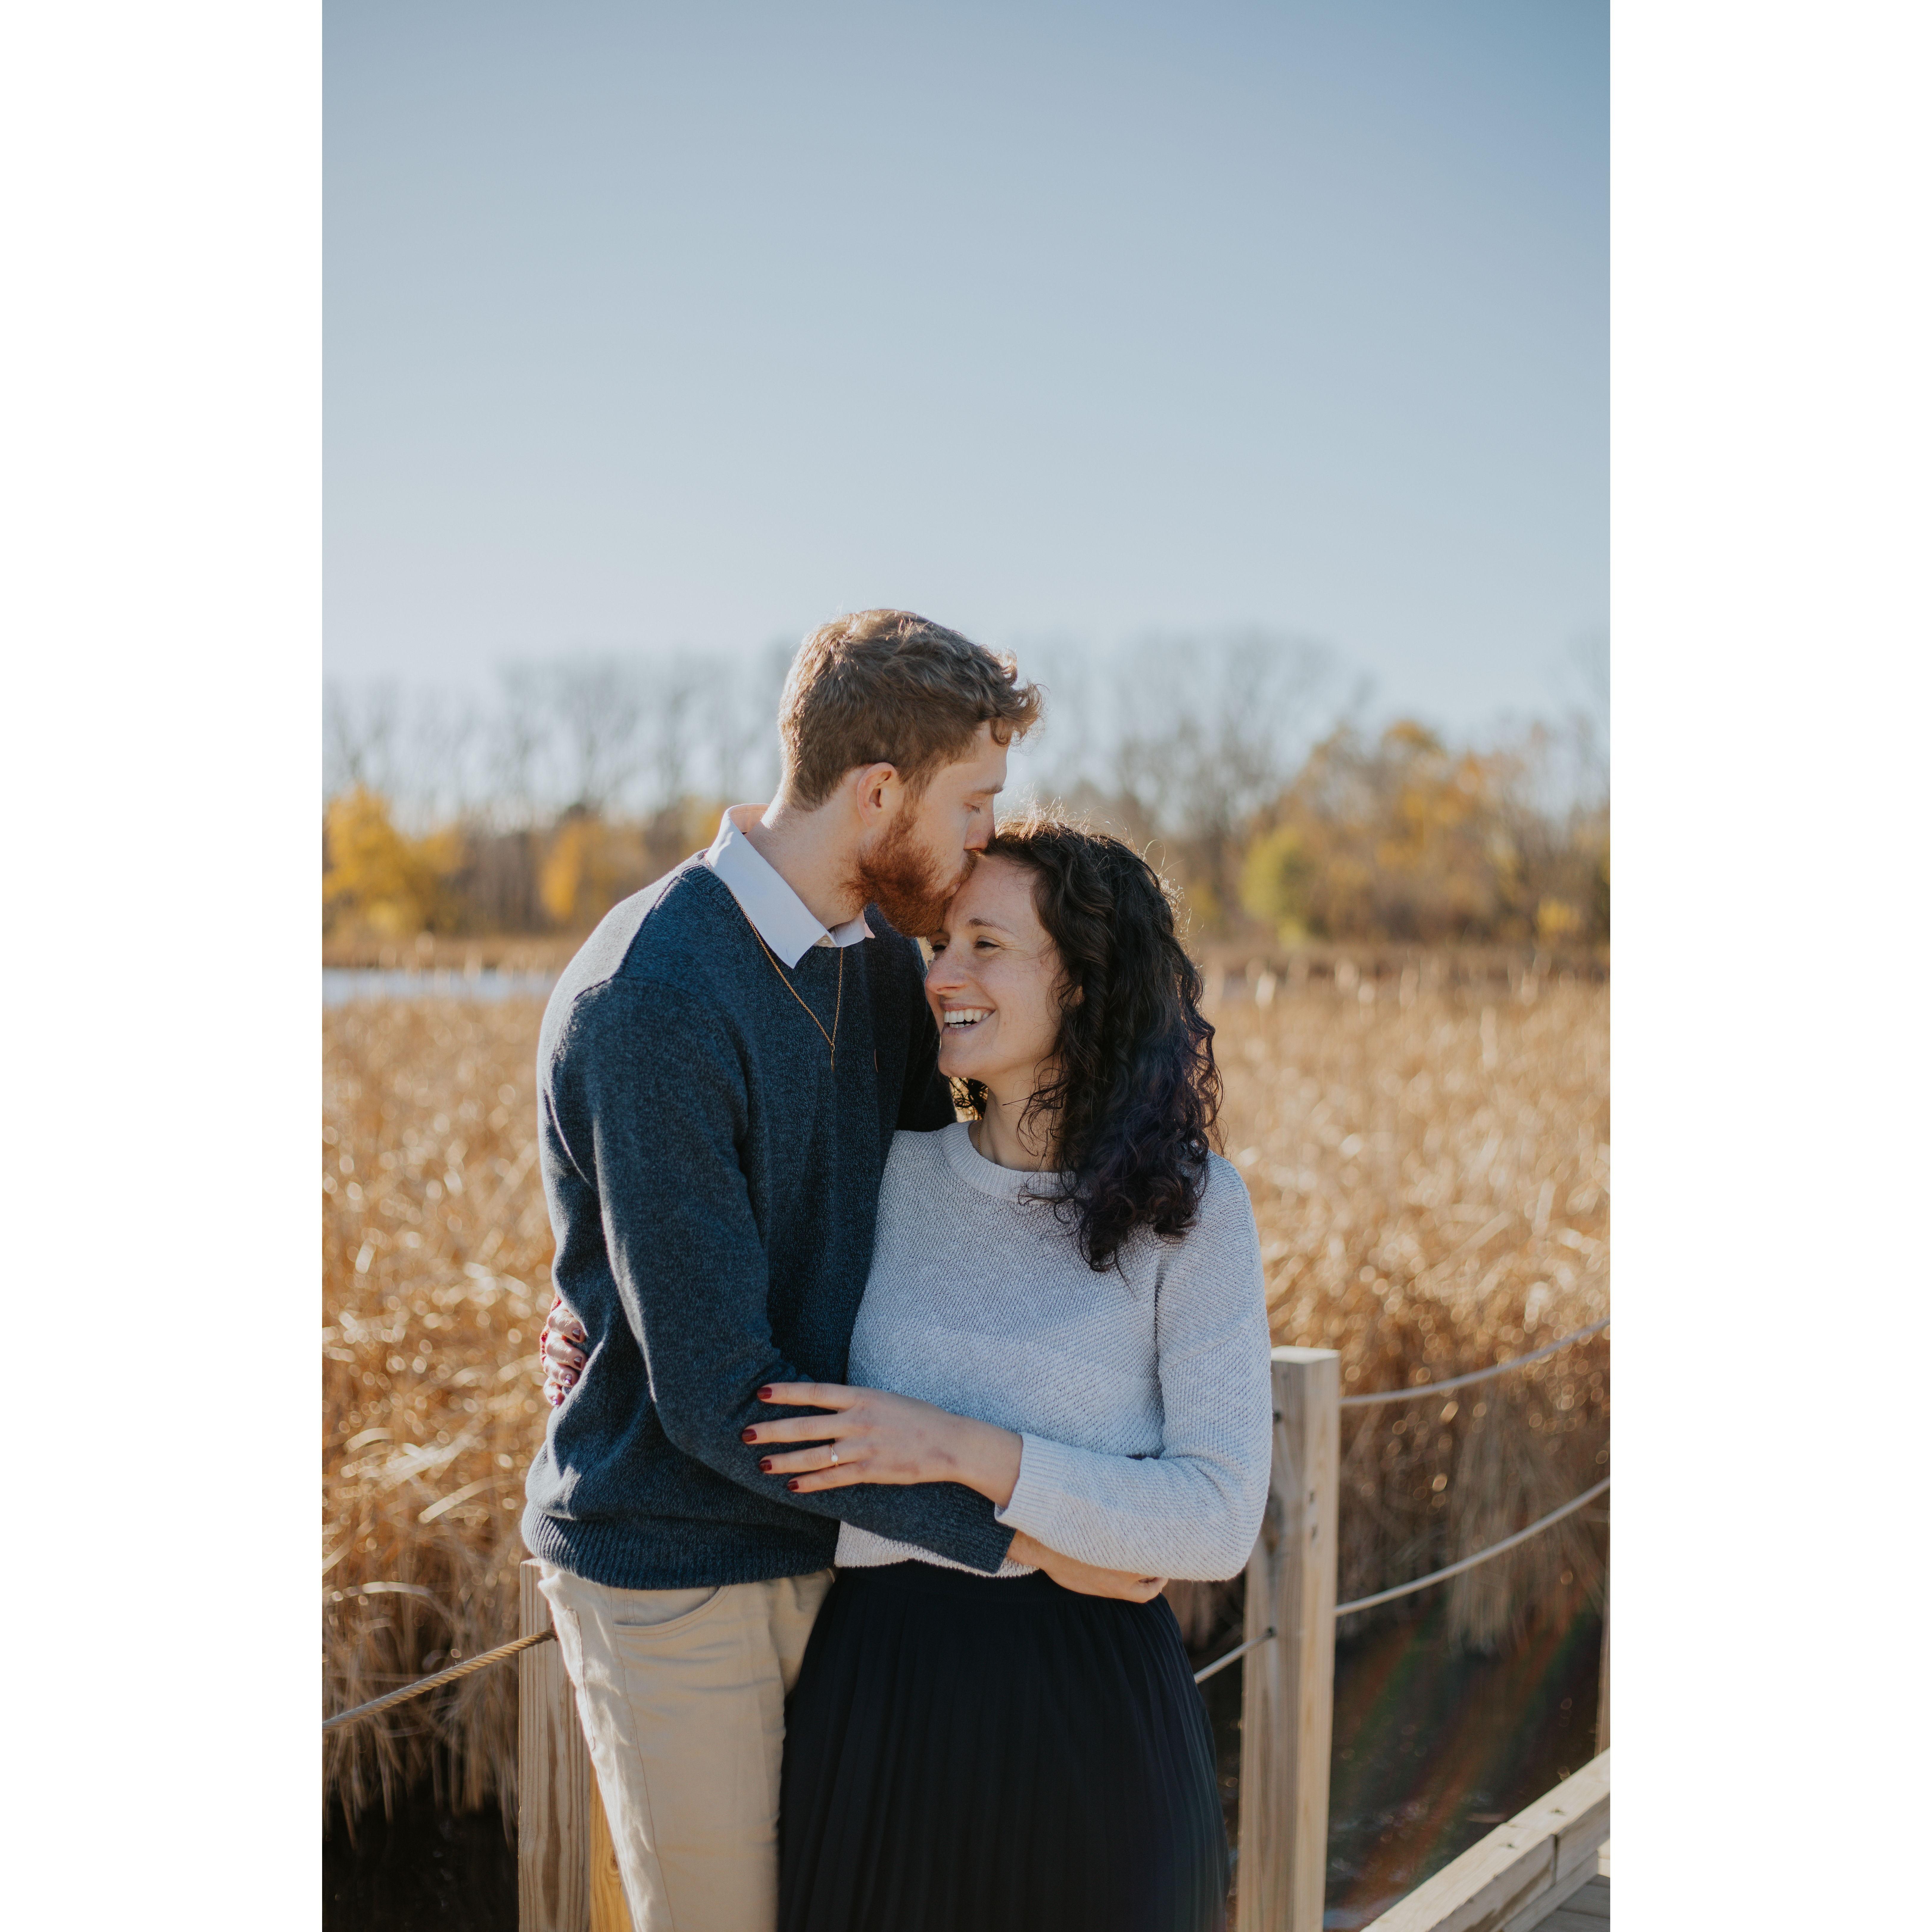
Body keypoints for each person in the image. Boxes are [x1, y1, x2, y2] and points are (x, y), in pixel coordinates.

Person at [519, 610, 1155, 1932]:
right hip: (678, 1569)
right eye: (973, 805)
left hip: (848, 1561)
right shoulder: (653, 997)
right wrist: (1031, 1537)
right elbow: (709, 1395)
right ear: (880, 794)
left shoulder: (880, 971)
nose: (989, 836)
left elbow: (1010, 1175)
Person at [545, 817, 1274, 1932]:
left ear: (1083, 983)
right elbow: (698, 1306)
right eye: (940, 943)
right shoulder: (883, 1174)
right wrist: (589, 1329)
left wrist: (959, 1449)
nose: (938, 975)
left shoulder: (1194, 1209)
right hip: (878, 1697)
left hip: (1093, 1709)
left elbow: (1216, 1517)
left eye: (985, 944)